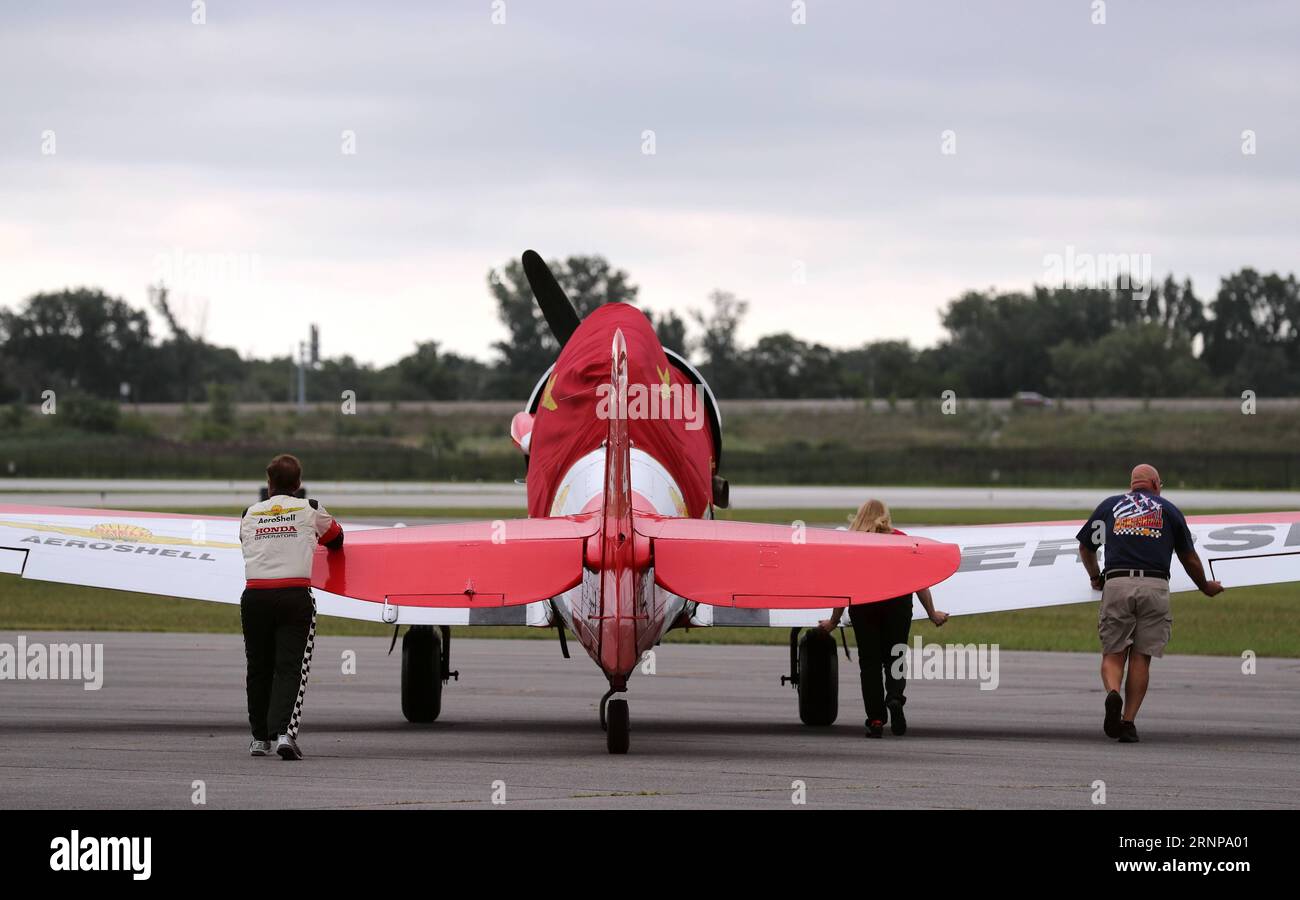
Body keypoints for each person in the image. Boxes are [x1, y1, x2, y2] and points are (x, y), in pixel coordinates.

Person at [1076, 463, 1223, 744]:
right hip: (1155, 586)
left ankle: (1113, 694)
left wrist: (1095, 577)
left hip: (1117, 583)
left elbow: (1086, 546)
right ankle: (1128, 723)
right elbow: (1188, 557)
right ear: (1156, 484)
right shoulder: (1168, 510)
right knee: (1141, 657)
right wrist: (1205, 586)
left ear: (1132, 484)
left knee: (1114, 652)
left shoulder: (1109, 507)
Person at [238, 454, 344, 760]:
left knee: (258, 669)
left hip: (254, 597)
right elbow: (336, 538)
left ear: (268, 484)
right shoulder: (309, 508)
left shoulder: (249, 513)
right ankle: (285, 733)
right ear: (298, 484)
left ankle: (259, 738)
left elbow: (245, 544)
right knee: (290, 667)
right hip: (294, 596)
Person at [821, 499, 949, 738]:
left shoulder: (851, 543)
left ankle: (876, 719)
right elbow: (920, 583)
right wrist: (932, 613)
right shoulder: (901, 539)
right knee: (895, 656)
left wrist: (833, 621)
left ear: (859, 516)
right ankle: (895, 698)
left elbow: (842, 587)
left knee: (869, 665)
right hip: (897, 605)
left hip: (864, 606)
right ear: (885, 516)